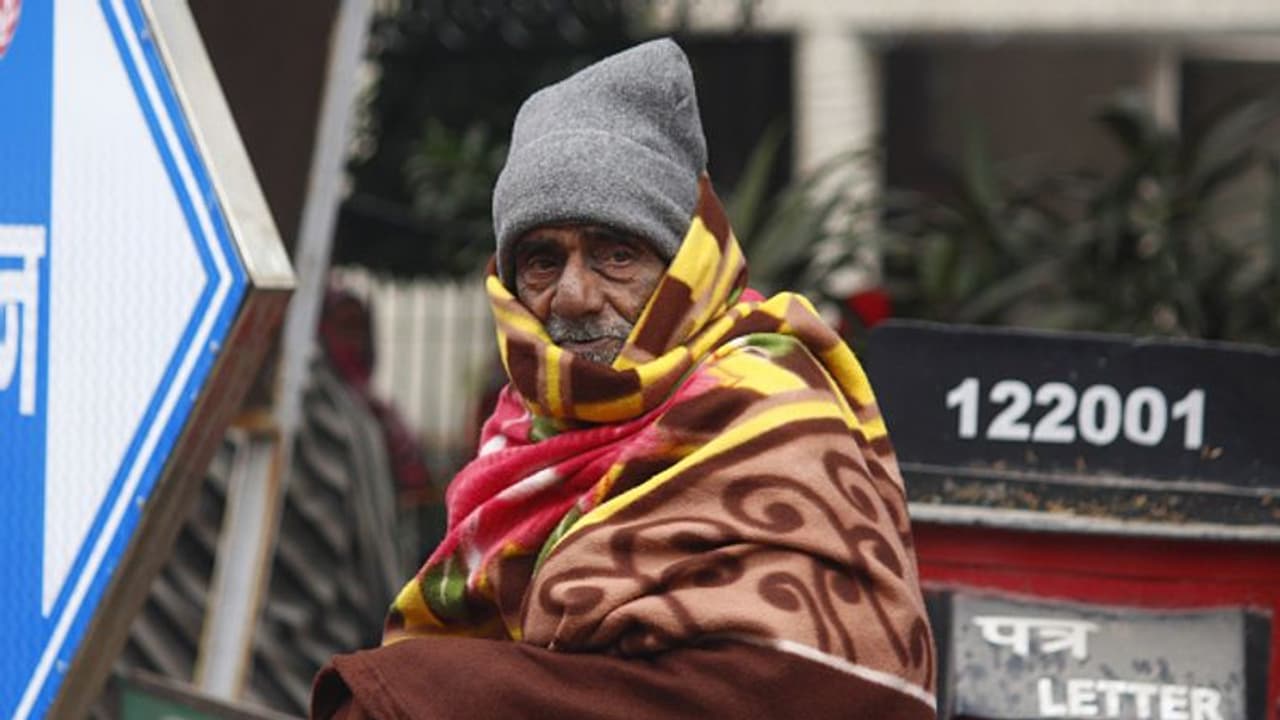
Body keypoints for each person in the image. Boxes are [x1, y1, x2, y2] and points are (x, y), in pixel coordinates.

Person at [311, 38, 936, 719]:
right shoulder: (521, 432)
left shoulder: (768, 400)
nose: (574, 297)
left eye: (616, 254)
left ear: (685, 269)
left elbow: (816, 682)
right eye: (543, 260)